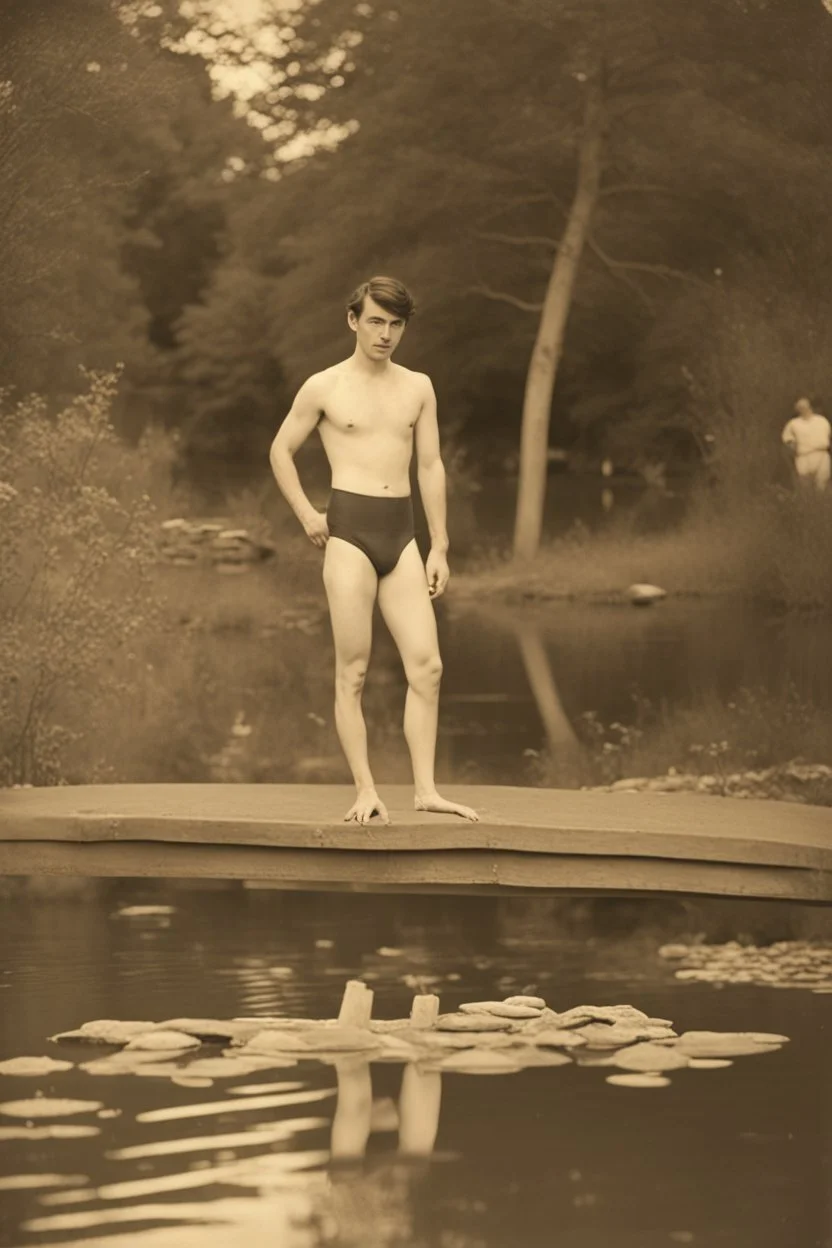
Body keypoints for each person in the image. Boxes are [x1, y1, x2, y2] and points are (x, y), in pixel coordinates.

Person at [269, 275, 478, 827]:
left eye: (396, 324)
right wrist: (308, 515)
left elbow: (430, 465)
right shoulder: (324, 387)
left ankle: (427, 790)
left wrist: (440, 546)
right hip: (350, 536)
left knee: (428, 667)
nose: (386, 334)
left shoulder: (418, 387)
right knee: (354, 671)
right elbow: (280, 450)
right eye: (377, 321)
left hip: (403, 534)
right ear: (353, 320)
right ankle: (365, 790)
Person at [781, 397, 831, 491]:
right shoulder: (793, 424)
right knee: (805, 486)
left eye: (805, 407)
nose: (803, 409)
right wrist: (792, 449)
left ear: (810, 407)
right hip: (803, 457)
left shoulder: (822, 421)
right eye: (800, 408)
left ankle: (821, 503)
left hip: (821, 455)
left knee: (822, 484)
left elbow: (828, 436)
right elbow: (788, 440)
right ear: (797, 410)